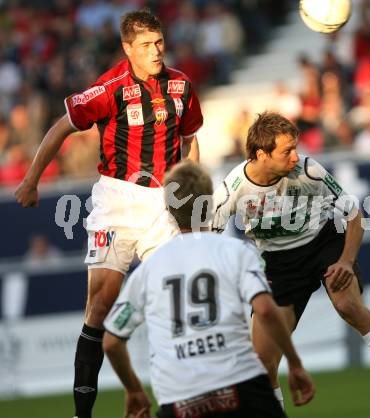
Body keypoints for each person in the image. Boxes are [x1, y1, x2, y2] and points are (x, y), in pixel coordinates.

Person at [15, 9, 203, 418]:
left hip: (163, 206)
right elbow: (61, 127)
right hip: (116, 201)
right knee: (100, 306)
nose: (156, 52)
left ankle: (180, 403)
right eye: (146, 45)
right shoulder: (110, 87)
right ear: (127, 48)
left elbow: (191, 143)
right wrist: (32, 180)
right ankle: (84, 413)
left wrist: (190, 197)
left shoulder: (181, 85)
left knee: (177, 301)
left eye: (159, 42)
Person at [212, 111, 370, 418]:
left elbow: (354, 215)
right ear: (262, 154)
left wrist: (346, 260)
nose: (295, 156)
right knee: (262, 361)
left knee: (347, 304)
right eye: (286, 151)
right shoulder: (232, 188)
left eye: (295, 148)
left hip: (322, 244)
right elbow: (207, 242)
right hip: (278, 265)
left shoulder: (308, 170)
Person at [103, 160, 315, 418]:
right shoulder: (235, 252)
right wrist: (294, 363)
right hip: (242, 386)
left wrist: (134, 390)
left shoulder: (149, 269)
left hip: (179, 399)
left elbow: (112, 341)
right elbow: (266, 311)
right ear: (209, 205)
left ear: (168, 210)